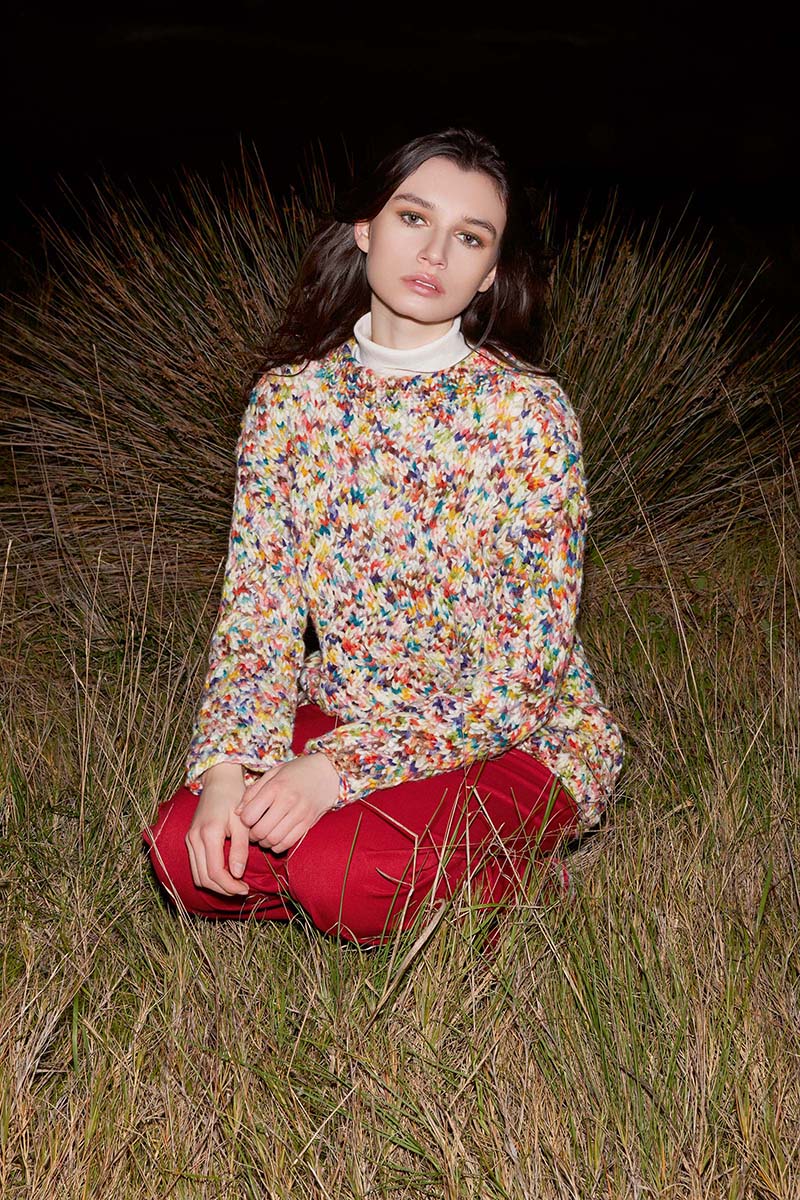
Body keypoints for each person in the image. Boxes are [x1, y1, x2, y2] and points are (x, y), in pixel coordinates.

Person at [143, 127, 624, 945]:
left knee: (340, 875)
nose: (434, 252)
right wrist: (227, 769)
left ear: (490, 272)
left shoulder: (527, 415)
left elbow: (518, 680)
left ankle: (514, 875)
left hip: (517, 736)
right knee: (183, 852)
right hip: (352, 708)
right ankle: (358, 868)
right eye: (413, 218)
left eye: (469, 237)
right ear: (366, 227)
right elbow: (258, 613)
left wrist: (337, 771)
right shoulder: (289, 402)